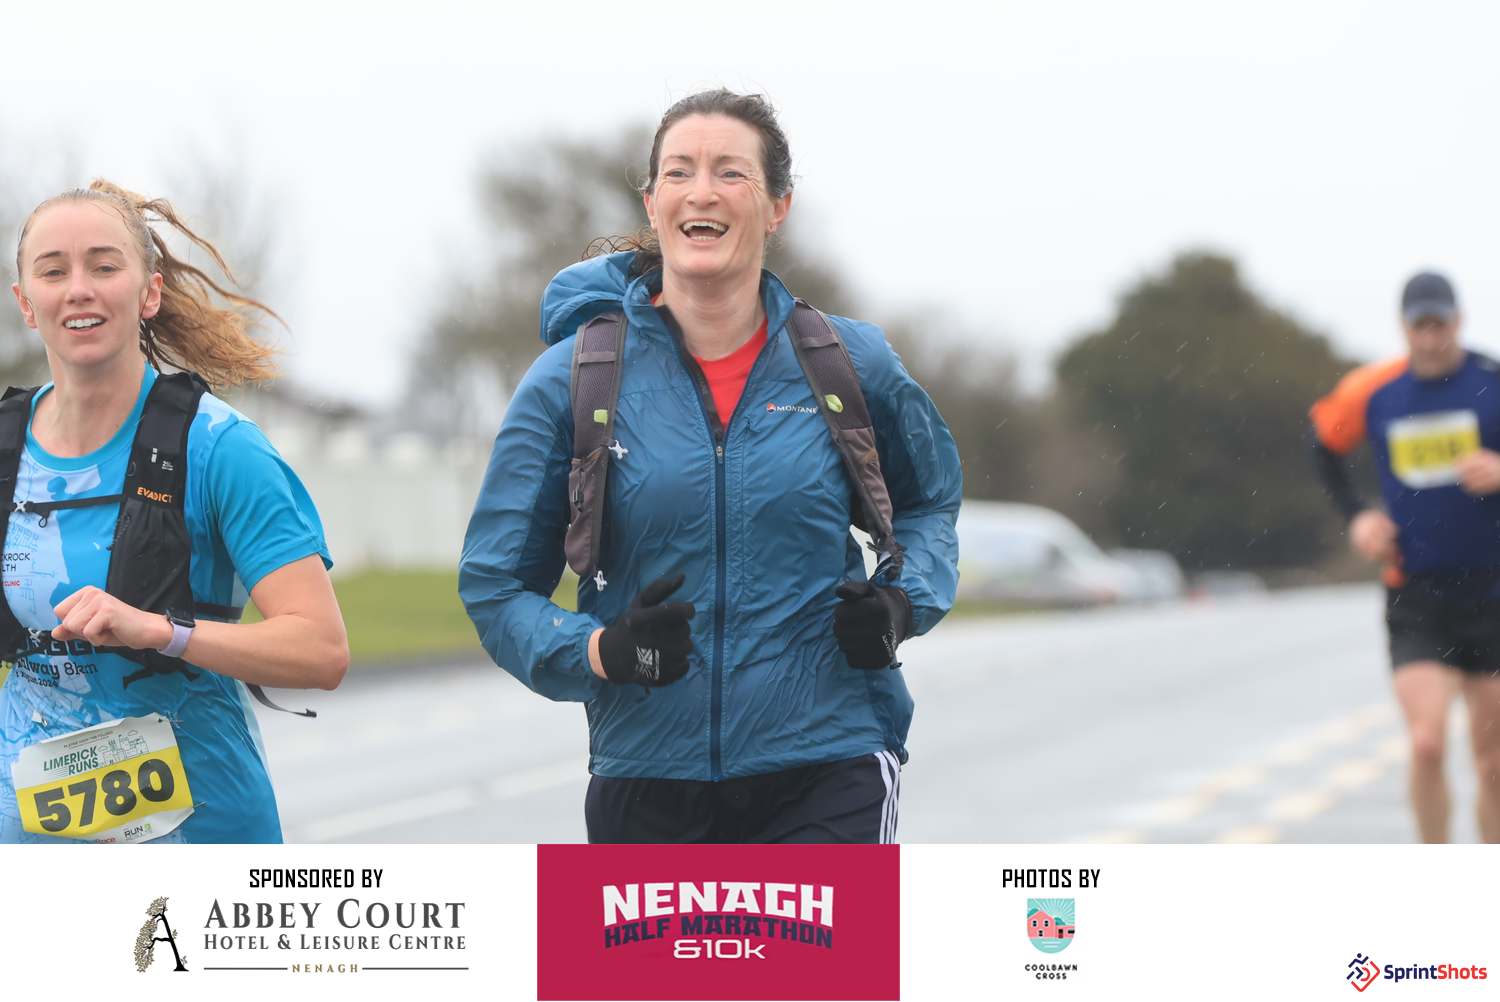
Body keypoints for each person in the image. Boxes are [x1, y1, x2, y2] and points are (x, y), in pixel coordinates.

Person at [460, 90, 961, 843]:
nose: (702, 191)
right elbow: (495, 586)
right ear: (653, 202)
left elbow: (929, 505)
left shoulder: (848, 363)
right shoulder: (574, 377)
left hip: (830, 762)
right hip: (646, 775)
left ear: (778, 206)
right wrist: (600, 651)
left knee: (826, 931)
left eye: (731, 173)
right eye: (679, 172)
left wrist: (900, 604)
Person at [1, 180, 349, 844]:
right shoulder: (4, 448)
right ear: (25, 302)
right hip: (31, 847)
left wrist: (158, 631)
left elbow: (321, 650)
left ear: (149, 292)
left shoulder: (222, 448)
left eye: (105, 267)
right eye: (54, 271)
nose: (79, 289)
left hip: (201, 838)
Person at [1310, 270, 1500, 843]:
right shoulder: (1374, 391)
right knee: (1426, 743)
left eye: (1441, 325)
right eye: (1421, 326)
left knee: (1493, 762)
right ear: (1404, 328)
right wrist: (1358, 515)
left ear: (1459, 321)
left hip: (1493, 592)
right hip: (1417, 593)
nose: (1432, 338)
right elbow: (1322, 445)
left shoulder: (1492, 380)